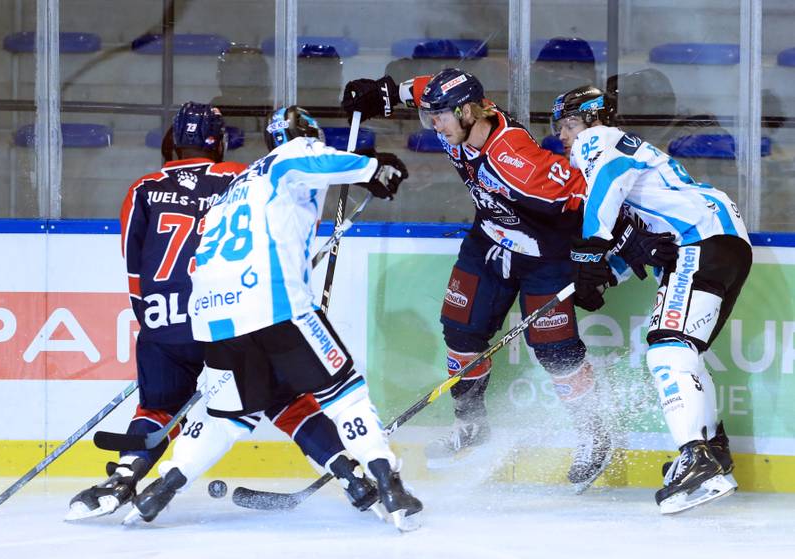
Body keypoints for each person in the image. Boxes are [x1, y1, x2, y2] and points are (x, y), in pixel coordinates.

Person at [67, 102, 380, 521]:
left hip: (164, 319)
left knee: (158, 409)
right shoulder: (241, 176)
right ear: (220, 140)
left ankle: (122, 479)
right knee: (284, 398)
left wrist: (154, 324)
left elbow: (132, 263)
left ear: (174, 141)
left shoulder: (143, 187)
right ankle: (349, 472)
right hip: (227, 313)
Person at [124, 105, 424, 532]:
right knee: (345, 394)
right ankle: (390, 485)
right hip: (274, 306)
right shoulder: (290, 155)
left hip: (213, 316)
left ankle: (159, 491)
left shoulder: (235, 187)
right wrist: (372, 167)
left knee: (226, 416)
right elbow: (309, 159)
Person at [341, 69, 616, 488]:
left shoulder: (516, 161)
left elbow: (590, 191)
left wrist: (602, 252)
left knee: (556, 352)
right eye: (430, 117)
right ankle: (472, 426)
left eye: (441, 117)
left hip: (545, 257)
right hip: (489, 241)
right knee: (460, 331)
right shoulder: (456, 120)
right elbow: (424, 89)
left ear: (469, 111)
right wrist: (385, 92)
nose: (435, 125)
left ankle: (595, 437)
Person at [551, 84, 752, 513]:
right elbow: (647, 246)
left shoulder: (598, 140)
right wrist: (604, 276)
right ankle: (713, 454)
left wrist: (589, 251)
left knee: (665, 352)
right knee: (686, 351)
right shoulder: (636, 160)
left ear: (587, 119)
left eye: (566, 126)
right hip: (724, 240)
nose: (563, 137)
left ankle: (694, 457)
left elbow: (606, 183)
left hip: (700, 239)